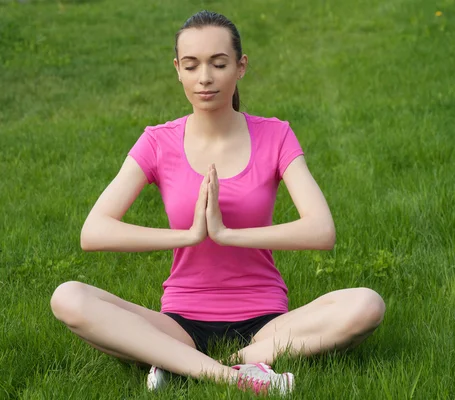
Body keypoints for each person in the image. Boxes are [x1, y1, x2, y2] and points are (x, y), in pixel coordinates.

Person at [50, 10, 386, 396]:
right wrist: (190, 236)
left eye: (219, 63)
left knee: (367, 305)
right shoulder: (158, 141)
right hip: (179, 322)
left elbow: (321, 230)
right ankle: (232, 374)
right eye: (191, 66)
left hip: (266, 323)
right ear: (177, 70)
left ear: (241, 67)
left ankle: (191, 365)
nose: (205, 77)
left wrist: (226, 234)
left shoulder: (275, 135)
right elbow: (94, 232)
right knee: (69, 297)